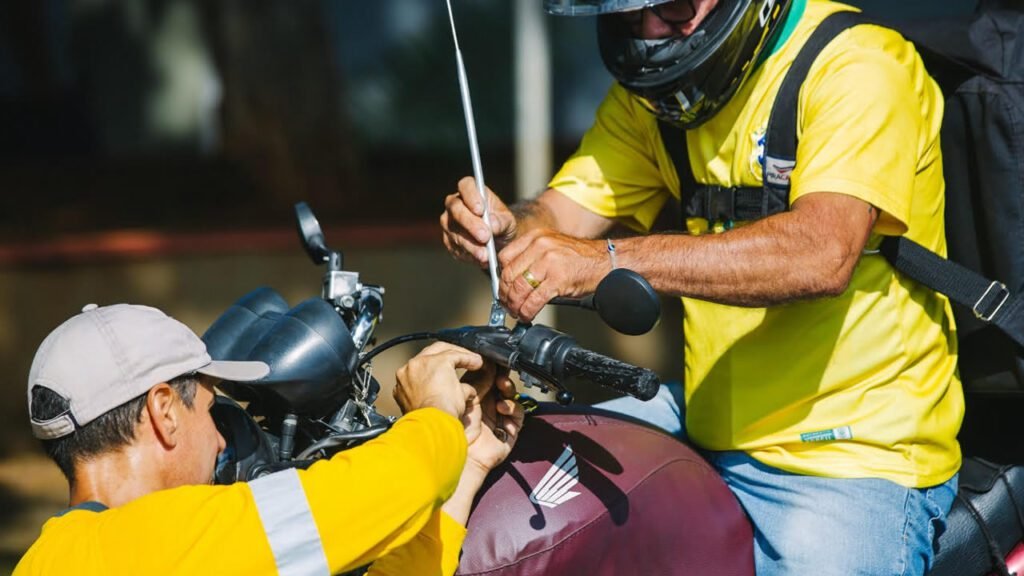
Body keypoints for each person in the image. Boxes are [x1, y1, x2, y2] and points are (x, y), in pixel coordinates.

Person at [441, 0, 962, 573]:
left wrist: (603, 260)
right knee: (514, 480)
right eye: (627, 17)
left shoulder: (855, 64)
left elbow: (822, 253)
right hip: (705, 417)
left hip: (850, 452)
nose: (647, 33)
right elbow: (557, 217)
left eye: (667, 7)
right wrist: (509, 227)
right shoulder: (658, 100)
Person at [15, 303, 523, 575]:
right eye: (212, 411)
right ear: (164, 410)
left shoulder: (52, 560)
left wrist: (469, 465)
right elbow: (402, 480)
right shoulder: (163, 540)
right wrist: (431, 406)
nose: (220, 440)